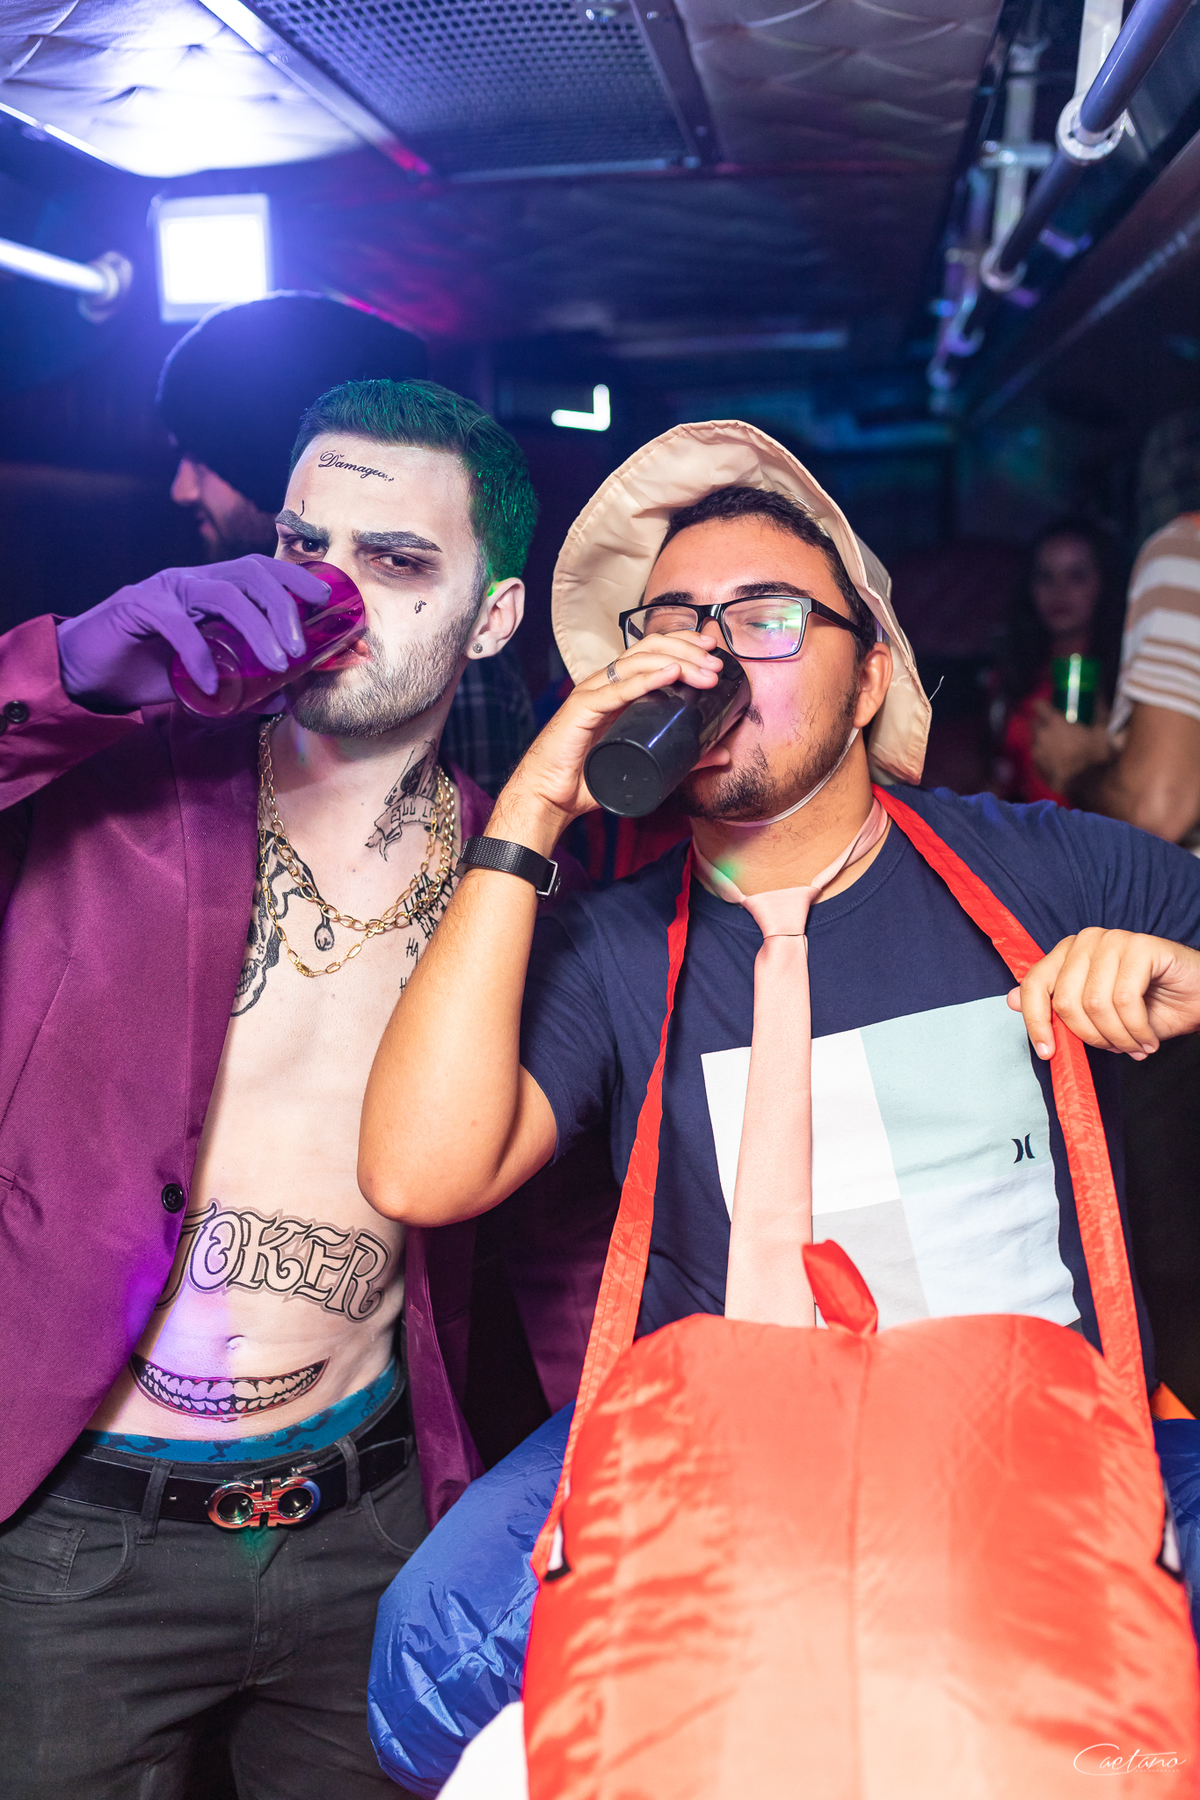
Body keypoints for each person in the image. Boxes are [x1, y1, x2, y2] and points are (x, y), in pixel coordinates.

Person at [360, 421, 1200, 1403]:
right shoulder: (606, 949)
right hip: (738, 1459)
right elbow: (418, 1176)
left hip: (1032, 1448)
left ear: (868, 683)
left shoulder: (1045, 867)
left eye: (766, 621)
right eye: (676, 628)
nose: (709, 664)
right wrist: (528, 810)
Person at [0, 378, 544, 1799]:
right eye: (308, 546)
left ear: (493, 616)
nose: (334, 595)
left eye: (398, 560)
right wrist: (73, 669)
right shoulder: (118, 790)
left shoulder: (516, 885)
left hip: (370, 1530)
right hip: (71, 1542)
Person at [158, 292, 536, 795]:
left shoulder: (443, 659)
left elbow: (473, 825)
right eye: (304, 544)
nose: (182, 488)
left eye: (202, 458)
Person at [996, 518, 1124, 804]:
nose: (1059, 590)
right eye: (1045, 577)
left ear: (1104, 583)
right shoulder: (1019, 667)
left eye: (1076, 576)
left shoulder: (1126, 673)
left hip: (1094, 821)